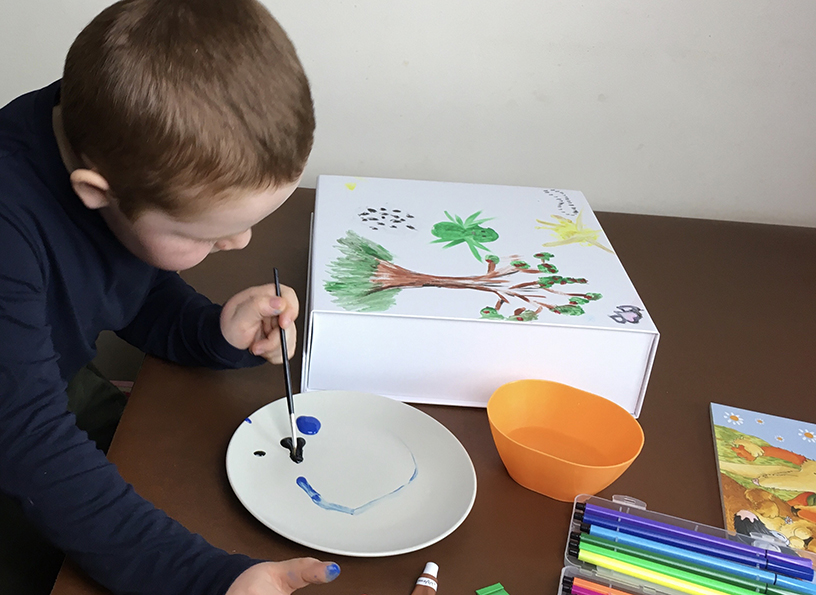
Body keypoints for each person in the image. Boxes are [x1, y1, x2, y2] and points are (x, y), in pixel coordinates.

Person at [0, 0, 340, 593]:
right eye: (205, 234)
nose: (240, 243)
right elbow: (27, 442)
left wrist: (210, 331)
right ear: (94, 191)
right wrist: (207, 579)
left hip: (39, 387)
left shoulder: (111, 136)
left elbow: (126, 274)